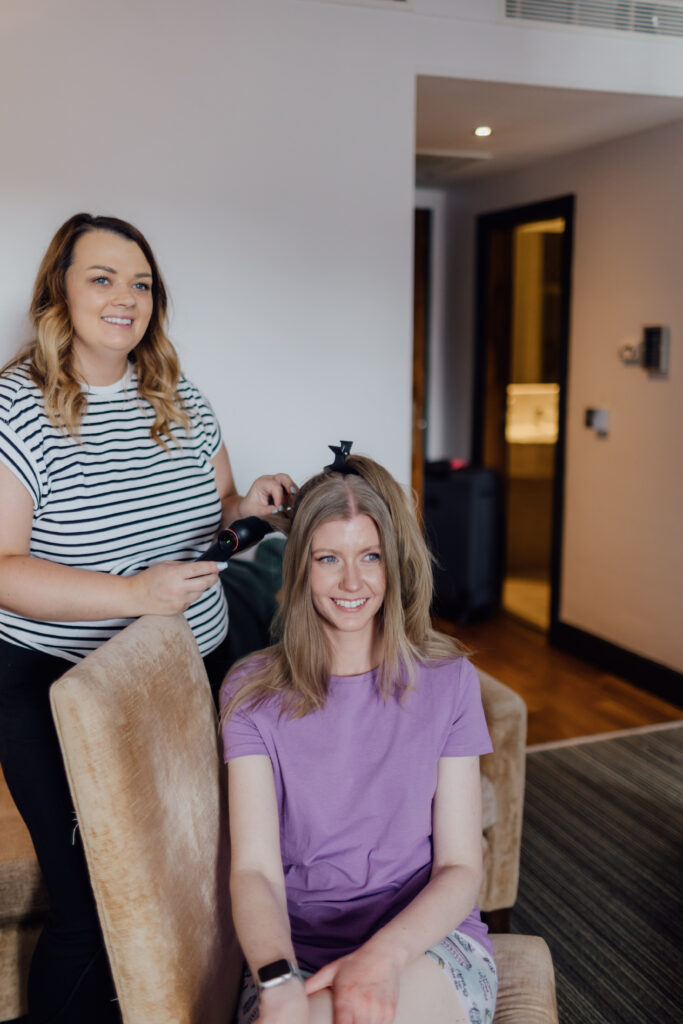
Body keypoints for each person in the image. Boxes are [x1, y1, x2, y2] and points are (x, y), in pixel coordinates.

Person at [0, 212, 295, 1023]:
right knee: (95, 905)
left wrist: (250, 507)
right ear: (58, 289)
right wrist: (135, 595)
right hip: (60, 686)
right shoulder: (16, 409)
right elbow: (3, 571)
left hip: (183, 665)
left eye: (141, 282)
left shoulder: (179, 396)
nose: (126, 298)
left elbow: (207, 520)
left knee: (183, 879)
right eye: (102, 278)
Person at [220, 447, 498, 1024]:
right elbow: (255, 871)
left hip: (424, 943)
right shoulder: (249, 692)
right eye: (328, 558)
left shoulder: (449, 681)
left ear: (393, 563)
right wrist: (274, 979)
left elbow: (460, 867)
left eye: (369, 556)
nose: (352, 581)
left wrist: (381, 959)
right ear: (300, 566)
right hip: (291, 957)